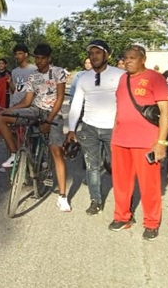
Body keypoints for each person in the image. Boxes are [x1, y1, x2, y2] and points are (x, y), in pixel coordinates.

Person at [0, 43, 69, 211]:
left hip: (52, 112)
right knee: (1, 118)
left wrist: (49, 120)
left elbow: (59, 99)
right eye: (37, 58)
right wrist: (10, 110)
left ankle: (63, 196)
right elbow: (27, 101)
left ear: (49, 58)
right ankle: (15, 153)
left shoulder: (58, 72)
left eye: (42, 58)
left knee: (56, 151)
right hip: (35, 109)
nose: (39, 61)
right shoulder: (33, 76)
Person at [109, 44, 168, 241]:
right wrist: (114, 134)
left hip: (145, 141)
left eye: (133, 57)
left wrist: (161, 142)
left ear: (143, 59)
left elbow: (165, 112)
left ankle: (152, 223)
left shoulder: (155, 78)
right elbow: (120, 109)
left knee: (149, 185)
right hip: (121, 140)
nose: (128, 61)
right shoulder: (122, 79)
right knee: (121, 183)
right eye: (125, 58)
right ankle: (122, 217)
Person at [65, 40, 123, 216]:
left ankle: (123, 205)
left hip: (114, 129)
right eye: (91, 53)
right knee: (92, 166)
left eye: (98, 52)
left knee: (117, 167)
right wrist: (71, 129)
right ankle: (95, 200)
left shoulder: (120, 75)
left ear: (107, 55)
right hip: (89, 128)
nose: (94, 56)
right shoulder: (84, 78)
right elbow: (76, 105)